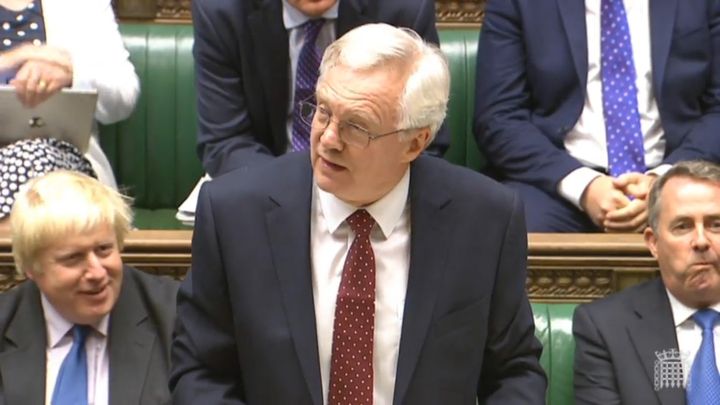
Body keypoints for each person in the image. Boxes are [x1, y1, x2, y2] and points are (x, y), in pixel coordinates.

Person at [170, 23, 546, 404]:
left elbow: (515, 373)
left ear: (416, 141)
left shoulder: (485, 220)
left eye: (356, 127)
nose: (328, 139)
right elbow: (200, 372)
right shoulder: (234, 213)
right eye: (323, 111)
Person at [474, 0, 720, 233]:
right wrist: (585, 186)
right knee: (512, 230)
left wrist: (664, 181)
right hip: (556, 182)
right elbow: (498, 116)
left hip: (680, 173)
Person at [192, 0, 449, 178]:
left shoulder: (402, 8)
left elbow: (422, 135)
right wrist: (298, 194)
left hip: (369, 185)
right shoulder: (222, 10)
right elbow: (225, 140)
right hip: (269, 182)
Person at [0, 170, 177, 404]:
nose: (97, 273)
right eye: (73, 258)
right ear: (32, 268)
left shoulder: (176, 316)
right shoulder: (5, 322)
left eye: (104, 249)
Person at [573, 160, 720, 404]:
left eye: (716, 225)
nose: (701, 241)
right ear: (653, 243)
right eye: (682, 226)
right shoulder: (606, 327)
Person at [0, 0, 139, 217]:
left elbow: (123, 96)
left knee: (33, 158)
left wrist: (72, 75)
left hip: (60, 165)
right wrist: (14, 58)